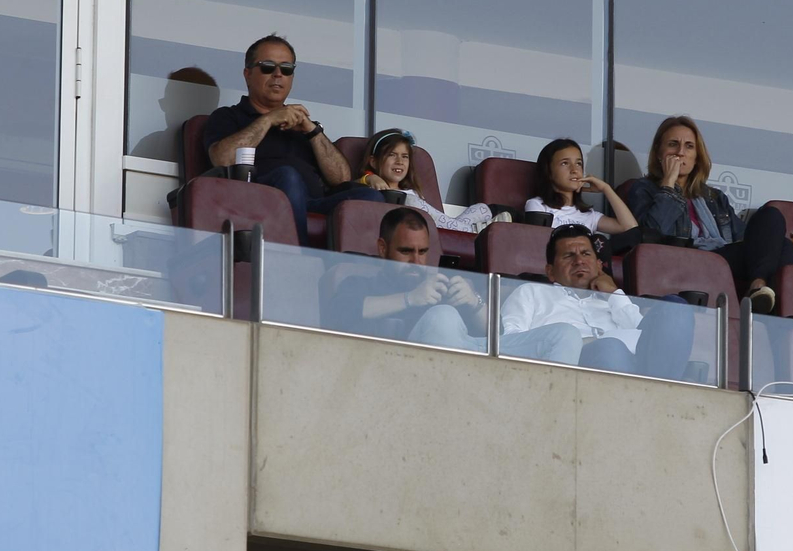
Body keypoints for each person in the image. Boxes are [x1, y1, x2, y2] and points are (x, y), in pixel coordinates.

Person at [327, 207, 580, 359]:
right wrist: (410, 299)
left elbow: (497, 337)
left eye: (423, 252)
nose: (417, 261)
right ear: (383, 248)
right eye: (406, 251)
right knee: (443, 315)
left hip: (466, 355)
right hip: (401, 363)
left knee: (564, 334)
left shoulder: (440, 284)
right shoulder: (360, 283)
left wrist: (474, 303)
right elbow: (340, 312)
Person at [203, 34, 381, 244]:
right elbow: (222, 159)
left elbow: (341, 178)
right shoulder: (228, 116)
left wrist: (312, 131)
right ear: (248, 74)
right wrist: (269, 119)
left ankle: (352, 264)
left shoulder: (302, 126)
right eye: (268, 67)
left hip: (312, 202)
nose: (278, 74)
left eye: (286, 69)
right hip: (256, 203)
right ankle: (297, 257)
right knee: (288, 176)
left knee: (371, 197)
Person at [623, 115, 793, 314]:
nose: (680, 152)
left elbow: (744, 239)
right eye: (673, 144)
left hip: (721, 257)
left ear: (697, 156)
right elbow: (651, 235)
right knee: (781, 249)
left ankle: (758, 287)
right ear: (658, 153)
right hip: (684, 261)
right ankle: (767, 313)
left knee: (775, 225)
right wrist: (669, 184)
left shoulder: (714, 197)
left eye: (689, 146)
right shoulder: (643, 189)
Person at [501, 224, 695, 380]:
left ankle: (658, 399)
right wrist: (576, 343)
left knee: (675, 307)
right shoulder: (531, 292)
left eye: (586, 254)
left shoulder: (612, 301)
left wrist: (614, 294)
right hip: (574, 372)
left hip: (641, 369)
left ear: (598, 265)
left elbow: (652, 339)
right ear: (550, 271)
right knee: (611, 348)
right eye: (568, 255)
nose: (579, 261)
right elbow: (511, 341)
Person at [356, 127, 510, 234]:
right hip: (417, 231)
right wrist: (368, 178)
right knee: (410, 201)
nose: (399, 161)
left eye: (405, 156)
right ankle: (476, 231)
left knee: (481, 208)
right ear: (373, 161)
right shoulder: (374, 188)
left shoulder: (412, 192)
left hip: (443, 227)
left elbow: (440, 220)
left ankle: (478, 228)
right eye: (392, 155)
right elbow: (350, 189)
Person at [523, 137, 637, 234]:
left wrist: (606, 188)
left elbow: (629, 227)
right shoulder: (538, 205)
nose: (574, 170)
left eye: (578, 163)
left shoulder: (589, 214)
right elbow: (537, 243)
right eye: (565, 163)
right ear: (548, 171)